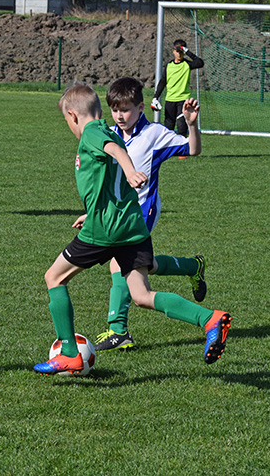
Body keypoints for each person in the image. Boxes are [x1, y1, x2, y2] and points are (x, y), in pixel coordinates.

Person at [33, 84, 230, 375]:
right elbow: (108, 179)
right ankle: (210, 319)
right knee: (140, 294)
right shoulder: (107, 130)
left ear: (73, 116)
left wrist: (128, 169)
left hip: (106, 231)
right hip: (131, 226)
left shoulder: (93, 133)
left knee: (54, 277)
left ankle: (70, 353)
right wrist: (93, 211)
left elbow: (114, 151)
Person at [95, 77, 207, 352]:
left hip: (142, 211)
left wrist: (191, 125)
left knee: (118, 263)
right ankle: (192, 267)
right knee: (142, 267)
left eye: (126, 109)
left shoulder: (154, 133)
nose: (120, 116)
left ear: (141, 107)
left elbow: (192, 150)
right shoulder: (109, 134)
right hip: (117, 212)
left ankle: (118, 330)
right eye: (115, 109)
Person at [151, 39, 204, 137]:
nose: (179, 54)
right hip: (170, 100)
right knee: (168, 128)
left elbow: (200, 62)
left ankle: (182, 151)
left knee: (182, 127)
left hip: (183, 101)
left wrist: (187, 51)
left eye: (181, 52)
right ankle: (169, 150)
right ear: (173, 51)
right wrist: (155, 97)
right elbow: (163, 82)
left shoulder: (187, 64)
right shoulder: (169, 66)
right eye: (177, 51)